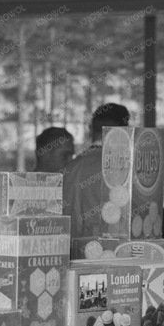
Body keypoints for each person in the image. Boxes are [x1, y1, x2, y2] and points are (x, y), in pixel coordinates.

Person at [61, 102, 130, 240]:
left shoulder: (69, 168)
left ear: (91, 128)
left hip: (70, 251)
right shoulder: (126, 169)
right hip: (114, 251)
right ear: (124, 130)